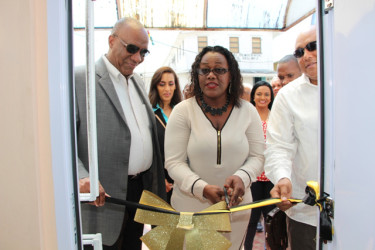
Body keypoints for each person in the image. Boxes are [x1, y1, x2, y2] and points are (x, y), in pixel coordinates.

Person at [75, 17, 166, 249]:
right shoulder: (79, 79)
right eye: (132, 49)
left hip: (137, 195)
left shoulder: (136, 82)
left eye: (144, 52)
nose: (137, 58)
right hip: (102, 200)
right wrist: (82, 176)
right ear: (111, 40)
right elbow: (61, 142)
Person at [164, 45, 265, 250]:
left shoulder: (248, 111)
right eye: (204, 70)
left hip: (236, 209)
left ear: (231, 75)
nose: (211, 75)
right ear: (197, 75)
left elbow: (258, 157)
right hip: (191, 208)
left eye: (219, 70)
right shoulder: (183, 111)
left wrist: (243, 177)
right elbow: (173, 162)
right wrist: (202, 188)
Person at [264, 26, 319, 250]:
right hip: (305, 212)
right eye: (299, 52)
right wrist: (282, 178)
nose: (306, 55)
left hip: (359, 209)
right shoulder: (288, 95)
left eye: (313, 46)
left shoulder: (361, 86)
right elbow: (278, 147)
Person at [244, 81, 275, 250]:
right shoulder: (247, 116)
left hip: (271, 176)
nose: (263, 98)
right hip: (253, 176)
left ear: (271, 97)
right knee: (251, 219)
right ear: (253, 96)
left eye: (266, 94)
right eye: (259, 94)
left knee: (271, 220)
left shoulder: (276, 117)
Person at [148, 66, 182, 203]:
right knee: (162, 222)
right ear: (155, 86)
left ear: (175, 87)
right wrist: (159, 179)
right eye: (162, 84)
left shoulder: (182, 112)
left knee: (183, 222)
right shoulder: (149, 113)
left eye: (171, 84)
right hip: (160, 179)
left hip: (182, 180)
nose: (167, 89)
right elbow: (149, 151)